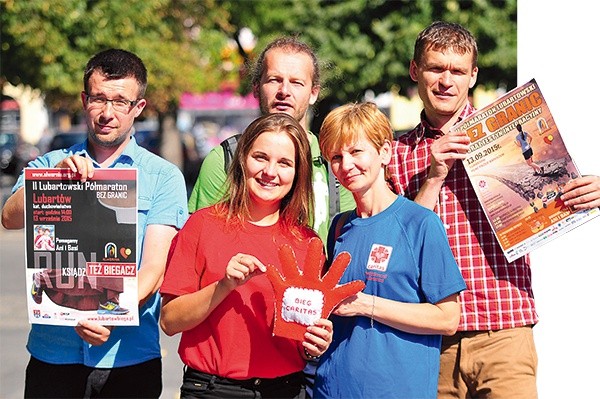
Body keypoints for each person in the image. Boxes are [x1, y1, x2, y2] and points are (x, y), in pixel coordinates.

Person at [387, 21, 600, 398]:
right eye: (436, 68)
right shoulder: (395, 154)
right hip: (429, 341)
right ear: (415, 70)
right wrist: (433, 177)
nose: (445, 81)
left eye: (457, 71)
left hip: (505, 328)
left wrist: (592, 191)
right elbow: (397, 249)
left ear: (473, 76)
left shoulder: (511, 134)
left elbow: (556, 186)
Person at [1, 48, 188, 398]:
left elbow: (153, 269)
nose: (107, 113)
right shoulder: (51, 164)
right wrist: (51, 182)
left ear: (138, 108)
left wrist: (110, 313)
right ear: (84, 100)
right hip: (52, 355)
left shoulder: (163, 177)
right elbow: (9, 218)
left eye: (120, 102)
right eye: (99, 99)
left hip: (128, 358)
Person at [160, 112, 333, 399]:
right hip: (212, 390)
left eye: (284, 163)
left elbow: (305, 335)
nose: (270, 171)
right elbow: (169, 321)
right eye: (260, 157)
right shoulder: (202, 225)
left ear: (298, 172)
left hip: (287, 389)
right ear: (242, 159)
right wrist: (224, 285)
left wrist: (317, 341)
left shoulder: (308, 243)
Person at [312, 102, 465, 398]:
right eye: (336, 156)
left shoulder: (421, 223)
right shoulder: (339, 227)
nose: (346, 165)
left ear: (384, 152)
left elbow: (447, 318)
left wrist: (364, 304)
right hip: (334, 389)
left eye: (356, 152)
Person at [187, 36, 354, 243]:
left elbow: (350, 244)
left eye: (296, 83)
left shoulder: (335, 162)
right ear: (256, 88)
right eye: (274, 80)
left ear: (313, 93)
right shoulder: (225, 160)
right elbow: (199, 245)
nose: (284, 91)